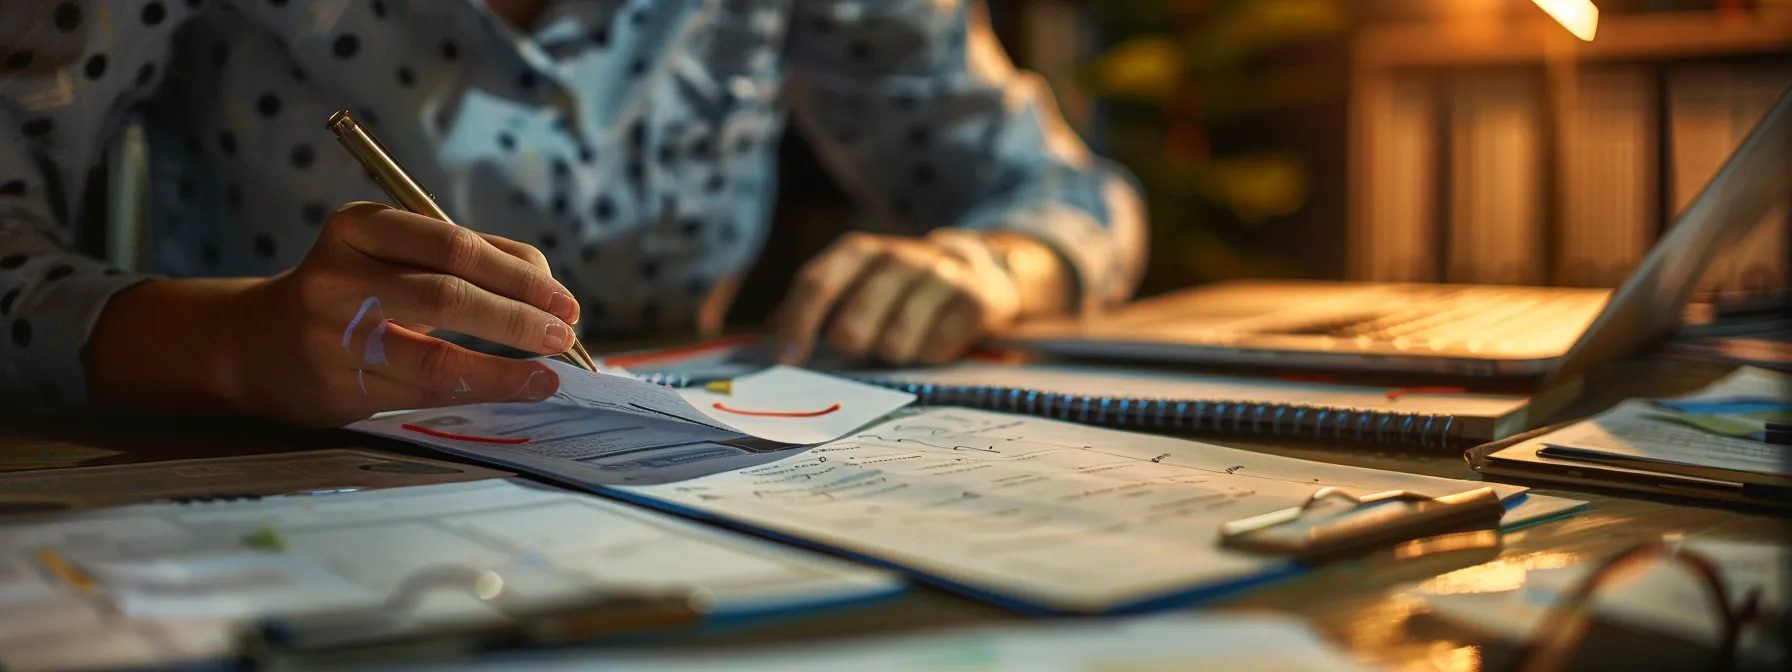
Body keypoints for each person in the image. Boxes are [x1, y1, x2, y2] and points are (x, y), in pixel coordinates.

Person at [0, 0, 1145, 427]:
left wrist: (994, 264)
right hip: (277, 495)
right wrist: (236, 343)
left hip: (692, 497)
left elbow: (1074, 195)